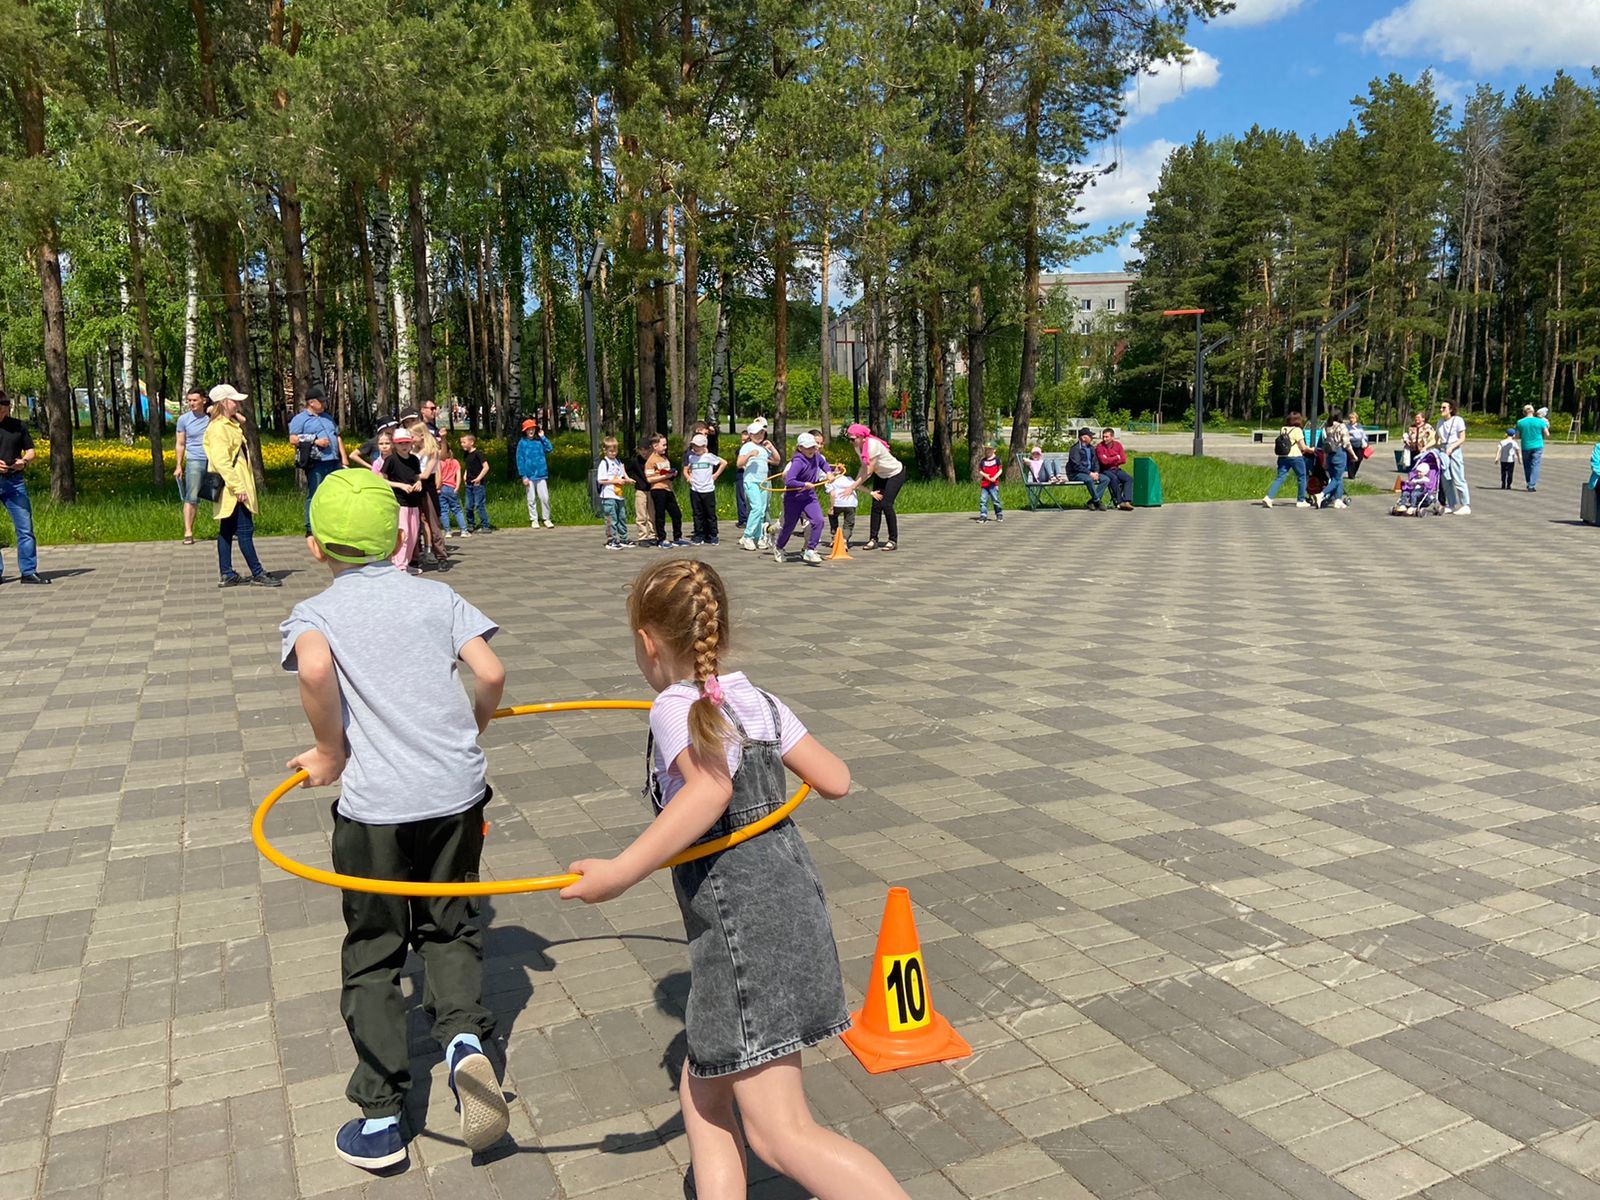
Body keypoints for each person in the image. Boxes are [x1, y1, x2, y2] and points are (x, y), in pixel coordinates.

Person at [559, 559, 910, 1200]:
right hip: (795, 907)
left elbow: (710, 792)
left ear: (647, 641)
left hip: (744, 932)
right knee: (704, 1088)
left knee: (782, 1137)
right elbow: (835, 779)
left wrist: (619, 874)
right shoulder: (761, 702)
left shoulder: (675, 707)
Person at [281, 468, 510, 1173]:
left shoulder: (316, 615)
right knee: (450, 924)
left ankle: (381, 1114)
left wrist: (329, 750)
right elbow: (492, 673)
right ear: (401, 538)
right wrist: (469, 731)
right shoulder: (438, 596)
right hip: (456, 795)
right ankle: (465, 1044)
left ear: (317, 547)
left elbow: (315, 671)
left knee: (376, 948)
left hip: (377, 809)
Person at [203, 384, 280, 588]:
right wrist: (238, 488)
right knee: (245, 530)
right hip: (233, 487)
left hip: (233, 485)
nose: (238, 403)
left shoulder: (227, 424)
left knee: (227, 530)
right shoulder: (220, 428)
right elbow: (222, 461)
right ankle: (257, 572)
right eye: (234, 400)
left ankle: (227, 573)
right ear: (223, 403)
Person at [0, 392, 46, 585]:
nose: (2, 414)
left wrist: (24, 461)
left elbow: (31, 451)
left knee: (25, 528)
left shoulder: (18, 426)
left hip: (14, 481)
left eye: (4, 410)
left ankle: (28, 571)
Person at [289, 385, 347, 535]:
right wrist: (315, 441)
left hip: (334, 461)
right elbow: (293, 439)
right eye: (321, 401)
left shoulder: (328, 418)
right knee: (315, 493)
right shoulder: (300, 419)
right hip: (317, 462)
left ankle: (332, 523)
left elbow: (337, 436)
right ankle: (310, 526)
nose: (324, 404)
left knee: (335, 493)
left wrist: (344, 459)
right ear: (312, 403)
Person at [772, 432, 830, 565]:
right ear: (800, 448)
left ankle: (810, 549)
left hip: (809, 497)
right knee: (789, 526)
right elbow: (789, 481)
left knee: (819, 521)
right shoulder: (798, 461)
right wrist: (804, 484)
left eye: (813, 447)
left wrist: (830, 473)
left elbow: (823, 464)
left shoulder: (817, 456)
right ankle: (779, 546)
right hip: (793, 498)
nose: (811, 450)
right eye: (808, 447)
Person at [846, 422, 905, 551]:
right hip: (881, 475)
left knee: (886, 504)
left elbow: (868, 471)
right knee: (876, 505)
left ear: (861, 437)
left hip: (895, 473)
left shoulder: (873, 446)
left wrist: (853, 486)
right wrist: (855, 482)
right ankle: (873, 539)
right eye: (849, 439)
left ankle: (892, 540)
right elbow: (863, 466)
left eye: (852, 439)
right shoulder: (858, 446)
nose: (851, 442)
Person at [381, 427, 424, 573]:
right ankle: (399, 566)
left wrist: (418, 483)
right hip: (399, 502)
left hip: (414, 501)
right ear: (394, 444)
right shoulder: (391, 460)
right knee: (403, 534)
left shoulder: (414, 459)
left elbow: (417, 476)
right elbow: (383, 480)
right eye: (400, 443)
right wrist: (400, 485)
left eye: (406, 442)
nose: (404, 446)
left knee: (413, 535)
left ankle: (406, 563)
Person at [174, 387, 210, 545]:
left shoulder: (212, 417)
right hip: (195, 459)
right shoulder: (184, 420)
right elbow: (180, 443)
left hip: (214, 460)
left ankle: (229, 527)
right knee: (192, 496)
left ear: (204, 400)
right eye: (189, 400)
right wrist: (179, 465)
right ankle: (188, 531)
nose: (192, 403)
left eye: (195, 400)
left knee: (222, 495)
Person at [737, 423, 779, 551]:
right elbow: (739, 464)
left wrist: (771, 447)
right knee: (756, 508)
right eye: (756, 433)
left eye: (761, 433)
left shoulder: (764, 447)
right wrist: (749, 455)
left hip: (763, 482)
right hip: (751, 481)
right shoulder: (747, 446)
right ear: (750, 435)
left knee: (761, 510)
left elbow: (777, 461)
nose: (759, 436)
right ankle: (747, 536)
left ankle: (759, 536)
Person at [1259, 411, 1309, 508]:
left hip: (1282, 456)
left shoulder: (1283, 429)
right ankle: (1301, 500)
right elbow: (1303, 447)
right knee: (1302, 477)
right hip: (1295, 457)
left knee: (1280, 477)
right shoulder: (1297, 430)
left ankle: (1268, 497)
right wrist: (1312, 449)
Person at [683, 432, 726, 545]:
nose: (695, 448)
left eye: (698, 446)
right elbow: (686, 469)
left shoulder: (709, 457)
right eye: (694, 446)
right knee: (698, 514)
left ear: (704, 446)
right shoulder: (691, 457)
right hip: (695, 490)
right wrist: (688, 477)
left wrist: (716, 475)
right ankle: (699, 535)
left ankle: (712, 535)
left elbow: (723, 463)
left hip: (708, 489)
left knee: (710, 514)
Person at [646, 433, 686, 547]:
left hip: (668, 489)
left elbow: (667, 472)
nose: (665, 447)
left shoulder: (664, 458)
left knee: (676, 513)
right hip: (658, 490)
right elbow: (649, 479)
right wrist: (665, 476)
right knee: (660, 515)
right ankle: (661, 538)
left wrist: (672, 474)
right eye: (663, 445)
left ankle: (677, 537)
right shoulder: (651, 461)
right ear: (655, 446)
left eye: (666, 445)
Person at [597, 436, 635, 550]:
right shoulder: (604, 463)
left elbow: (622, 474)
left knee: (621, 516)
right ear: (605, 450)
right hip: (608, 495)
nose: (613, 453)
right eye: (611, 451)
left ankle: (623, 538)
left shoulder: (617, 461)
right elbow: (601, 480)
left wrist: (627, 479)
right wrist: (615, 481)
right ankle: (611, 539)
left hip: (618, 494)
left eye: (615, 451)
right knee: (611, 518)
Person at [516, 418, 555, 527]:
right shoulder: (522, 443)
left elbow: (549, 449)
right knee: (531, 498)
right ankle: (534, 519)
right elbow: (520, 460)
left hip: (541, 474)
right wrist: (523, 476)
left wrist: (543, 437)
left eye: (532, 429)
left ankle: (546, 518)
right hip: (529, 476)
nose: (531, 431)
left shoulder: (539, 442)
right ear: (525, 431)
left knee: (545, 498)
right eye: (528, 429)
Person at [1435, 399, 1470, 515]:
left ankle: (1465, 505)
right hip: (1443, 449)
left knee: (1458, 477)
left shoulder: (1458, 420)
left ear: (1450, 409)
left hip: (1454, 449)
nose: (1441, 410)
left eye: (1444, 408)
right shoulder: (1439, 422)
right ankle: (1451, 504)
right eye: (1441, 407)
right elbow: (1436, 440)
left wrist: (1452, 447)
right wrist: (1426, 447)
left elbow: (1462, 438)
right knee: (1445, 478)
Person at [1066, 428, 1111, 510]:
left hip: (1090, 473)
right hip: (1076, 474)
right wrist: (1089, 473)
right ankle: (1097, 501)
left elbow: (1096, 461)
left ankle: (1092, 501)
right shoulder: (1075, 449)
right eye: (1090, 436)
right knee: (1089, 480)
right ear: (1083, 438)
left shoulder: (1091, 448)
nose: (1092, 437)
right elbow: (1076, 465)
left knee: (1106, 479)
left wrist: (1096, 472)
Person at [1317, 410, 1352, 510]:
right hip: (1339, 453)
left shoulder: (1327, 427)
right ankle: (1321, 495)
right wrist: (1353, 455)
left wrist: (1324, 460)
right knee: (1337, 479)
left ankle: (1337, 500)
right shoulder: (1342, 426)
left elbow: (1324, 444)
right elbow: (1346, 443)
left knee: (1336, 478)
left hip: (1329, 455)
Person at [436, 435, 470, 537]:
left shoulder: (438, 463)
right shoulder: (455, 462)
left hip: (441, 487)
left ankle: (447, 531)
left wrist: (438, 487)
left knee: (443, 510)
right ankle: (464, 530)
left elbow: (439, 476)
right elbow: (458, 475)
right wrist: (457, 487)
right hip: (452, 487)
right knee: (457, 509)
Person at [459, 432, 493, 533]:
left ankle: (485, 525)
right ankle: (471, 524)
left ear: (471, 442)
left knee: (479, 504)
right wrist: (465, 475)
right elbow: (468, 467)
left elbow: (486, 467)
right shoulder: (466, 454)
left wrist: (479, 478)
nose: (462, 444)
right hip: (469, 483)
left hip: (478, 484)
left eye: (464, 442)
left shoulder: (478, 453)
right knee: (468, 505)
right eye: (461, 442)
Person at [1094, 428, 1135, 511]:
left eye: (1107, 437)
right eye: (1103, 437)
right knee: (1113, 478)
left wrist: (1109, 459)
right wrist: (1116, 457)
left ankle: (1127, 501)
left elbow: (1123, 460)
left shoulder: (1118, 445)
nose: (1104, 439)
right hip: (1105, 470)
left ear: (1112, 437)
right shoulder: (1100, 447)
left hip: (1116, 469)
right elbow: (1104, 462)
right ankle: (1119, 502)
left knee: (1128, 479)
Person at [629, 441, 656, 544]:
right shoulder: (635, 461)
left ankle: (653, 535)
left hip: (652, 489)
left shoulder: (653, 460)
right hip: (640, 490)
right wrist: (627, 478)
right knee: (641, 515)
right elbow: (624, 469)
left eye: (646, 449)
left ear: (651, 449)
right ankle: (643, 536)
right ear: (638, 450)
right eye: (641, 450)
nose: (644, 452)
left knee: (652, 514)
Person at [826, 463, 857, 546]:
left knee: (833, 517)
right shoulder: (848, 479)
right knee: (848, 523)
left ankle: (834, 536)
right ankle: (844, 539)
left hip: (838, 503)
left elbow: (832, 494)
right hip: (850, 503)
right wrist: (870, 492)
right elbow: (857, 485)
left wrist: (832, 507)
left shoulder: (829, 482)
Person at [1516, 404, 1546, 491]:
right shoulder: (1540, 421)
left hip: (1526, 446)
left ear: (1524, 412)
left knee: (1527, 465)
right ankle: (1531, 485)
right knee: (1535, 464)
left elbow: (1517, 436)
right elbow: (1547, 434)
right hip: (1538, 445)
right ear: (1533, 411)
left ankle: (1529, 482)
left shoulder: (1520, 422)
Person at [976, 445, 1004, 522]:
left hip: (994, 484)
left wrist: (994, 477)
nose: (988, 451)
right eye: (986, 449)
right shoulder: (983, 461)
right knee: (983, 500)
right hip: (985, 484)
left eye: (990, 449)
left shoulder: (997, 460)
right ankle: (983, 515)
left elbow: (1000, 470)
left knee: (995, 499)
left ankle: (999, 514)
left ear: (994, 450)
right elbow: (980, 470)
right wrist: (985, 475)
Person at [1345, 412, 1369, 480]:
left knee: (1359, 458)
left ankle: (1354, 472)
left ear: (1356, 418)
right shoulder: (1347, 427)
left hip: (1360, 445)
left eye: (1353, 418)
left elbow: (1363, 434)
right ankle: (1351, 475)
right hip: (1351, 445)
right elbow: (1346, 436)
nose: (1351, 419)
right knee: (1351, 460)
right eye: (1350, 418)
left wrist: (1366, 441)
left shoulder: (1359, 426)